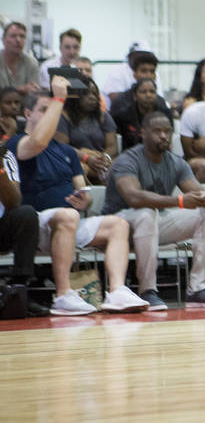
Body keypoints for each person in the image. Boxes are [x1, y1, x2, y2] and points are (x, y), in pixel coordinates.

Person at [7, 81, 148, 315]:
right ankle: (63, 295)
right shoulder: (17, 143)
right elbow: (37, 142)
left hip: (68, 222)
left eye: (53, 110)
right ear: (28, 113)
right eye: (44, 109)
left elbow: (82, 189)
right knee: (67, 215)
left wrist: (85, 200)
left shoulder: (66, 151)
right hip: (35, 224)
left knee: (118, 225)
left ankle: (117, 291)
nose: (50, 114)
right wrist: (59, 98)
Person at [104, 112, 205, 309]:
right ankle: (148, 290)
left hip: (153, 225)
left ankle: (197, 289)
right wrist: (180, 201)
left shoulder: (176, 162)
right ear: (143, 133)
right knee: (146, 213)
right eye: (157, 131)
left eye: (168, 131)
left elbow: (196, 191)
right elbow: (134, 197)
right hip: (118, 226)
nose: (164, 136)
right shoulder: (127, 160)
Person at [0, 146, 48, 315]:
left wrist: (0, 170)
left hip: (2, 227)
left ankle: (19, 289)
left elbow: (14, 201)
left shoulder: (6, 156)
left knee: (26, 214)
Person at [55, 79, 117, 184]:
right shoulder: (63, 117)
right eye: (86, 93)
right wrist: (87, 159)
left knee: (120, 169)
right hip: (76, 160)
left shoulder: (104, 116)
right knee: (79, 169)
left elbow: (112, 146)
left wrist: (103, 160)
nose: (92, 97)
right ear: (75, 95)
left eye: (94, 93)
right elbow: (62, 147)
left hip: (101, 160)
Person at [111, 78, 174, 151]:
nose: (148, 95)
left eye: (152, 92)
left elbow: (169, 141)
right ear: (135, 96)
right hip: (131, 155)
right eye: (143, 92)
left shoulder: (165, 113)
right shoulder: (123, 115)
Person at [0, 22, 40, 95]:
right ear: (3, 40)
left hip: (25, 105)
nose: (18, 40)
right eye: (13, 36)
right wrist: (19, 90)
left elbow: (35, 91)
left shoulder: (31, 62)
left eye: (22, 36)